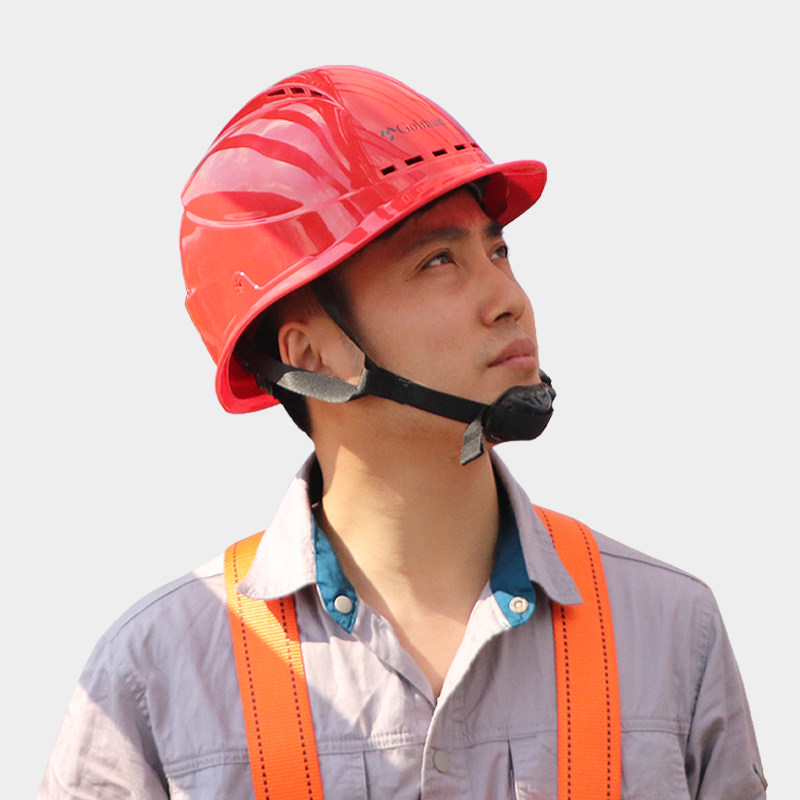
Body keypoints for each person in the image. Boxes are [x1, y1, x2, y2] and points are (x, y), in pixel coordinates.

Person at [39, 65, 766, 799]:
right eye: (439, 260)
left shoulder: (671, 635)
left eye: (499, 251)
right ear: (310, 354)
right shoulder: (156, 681)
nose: (509, 300)